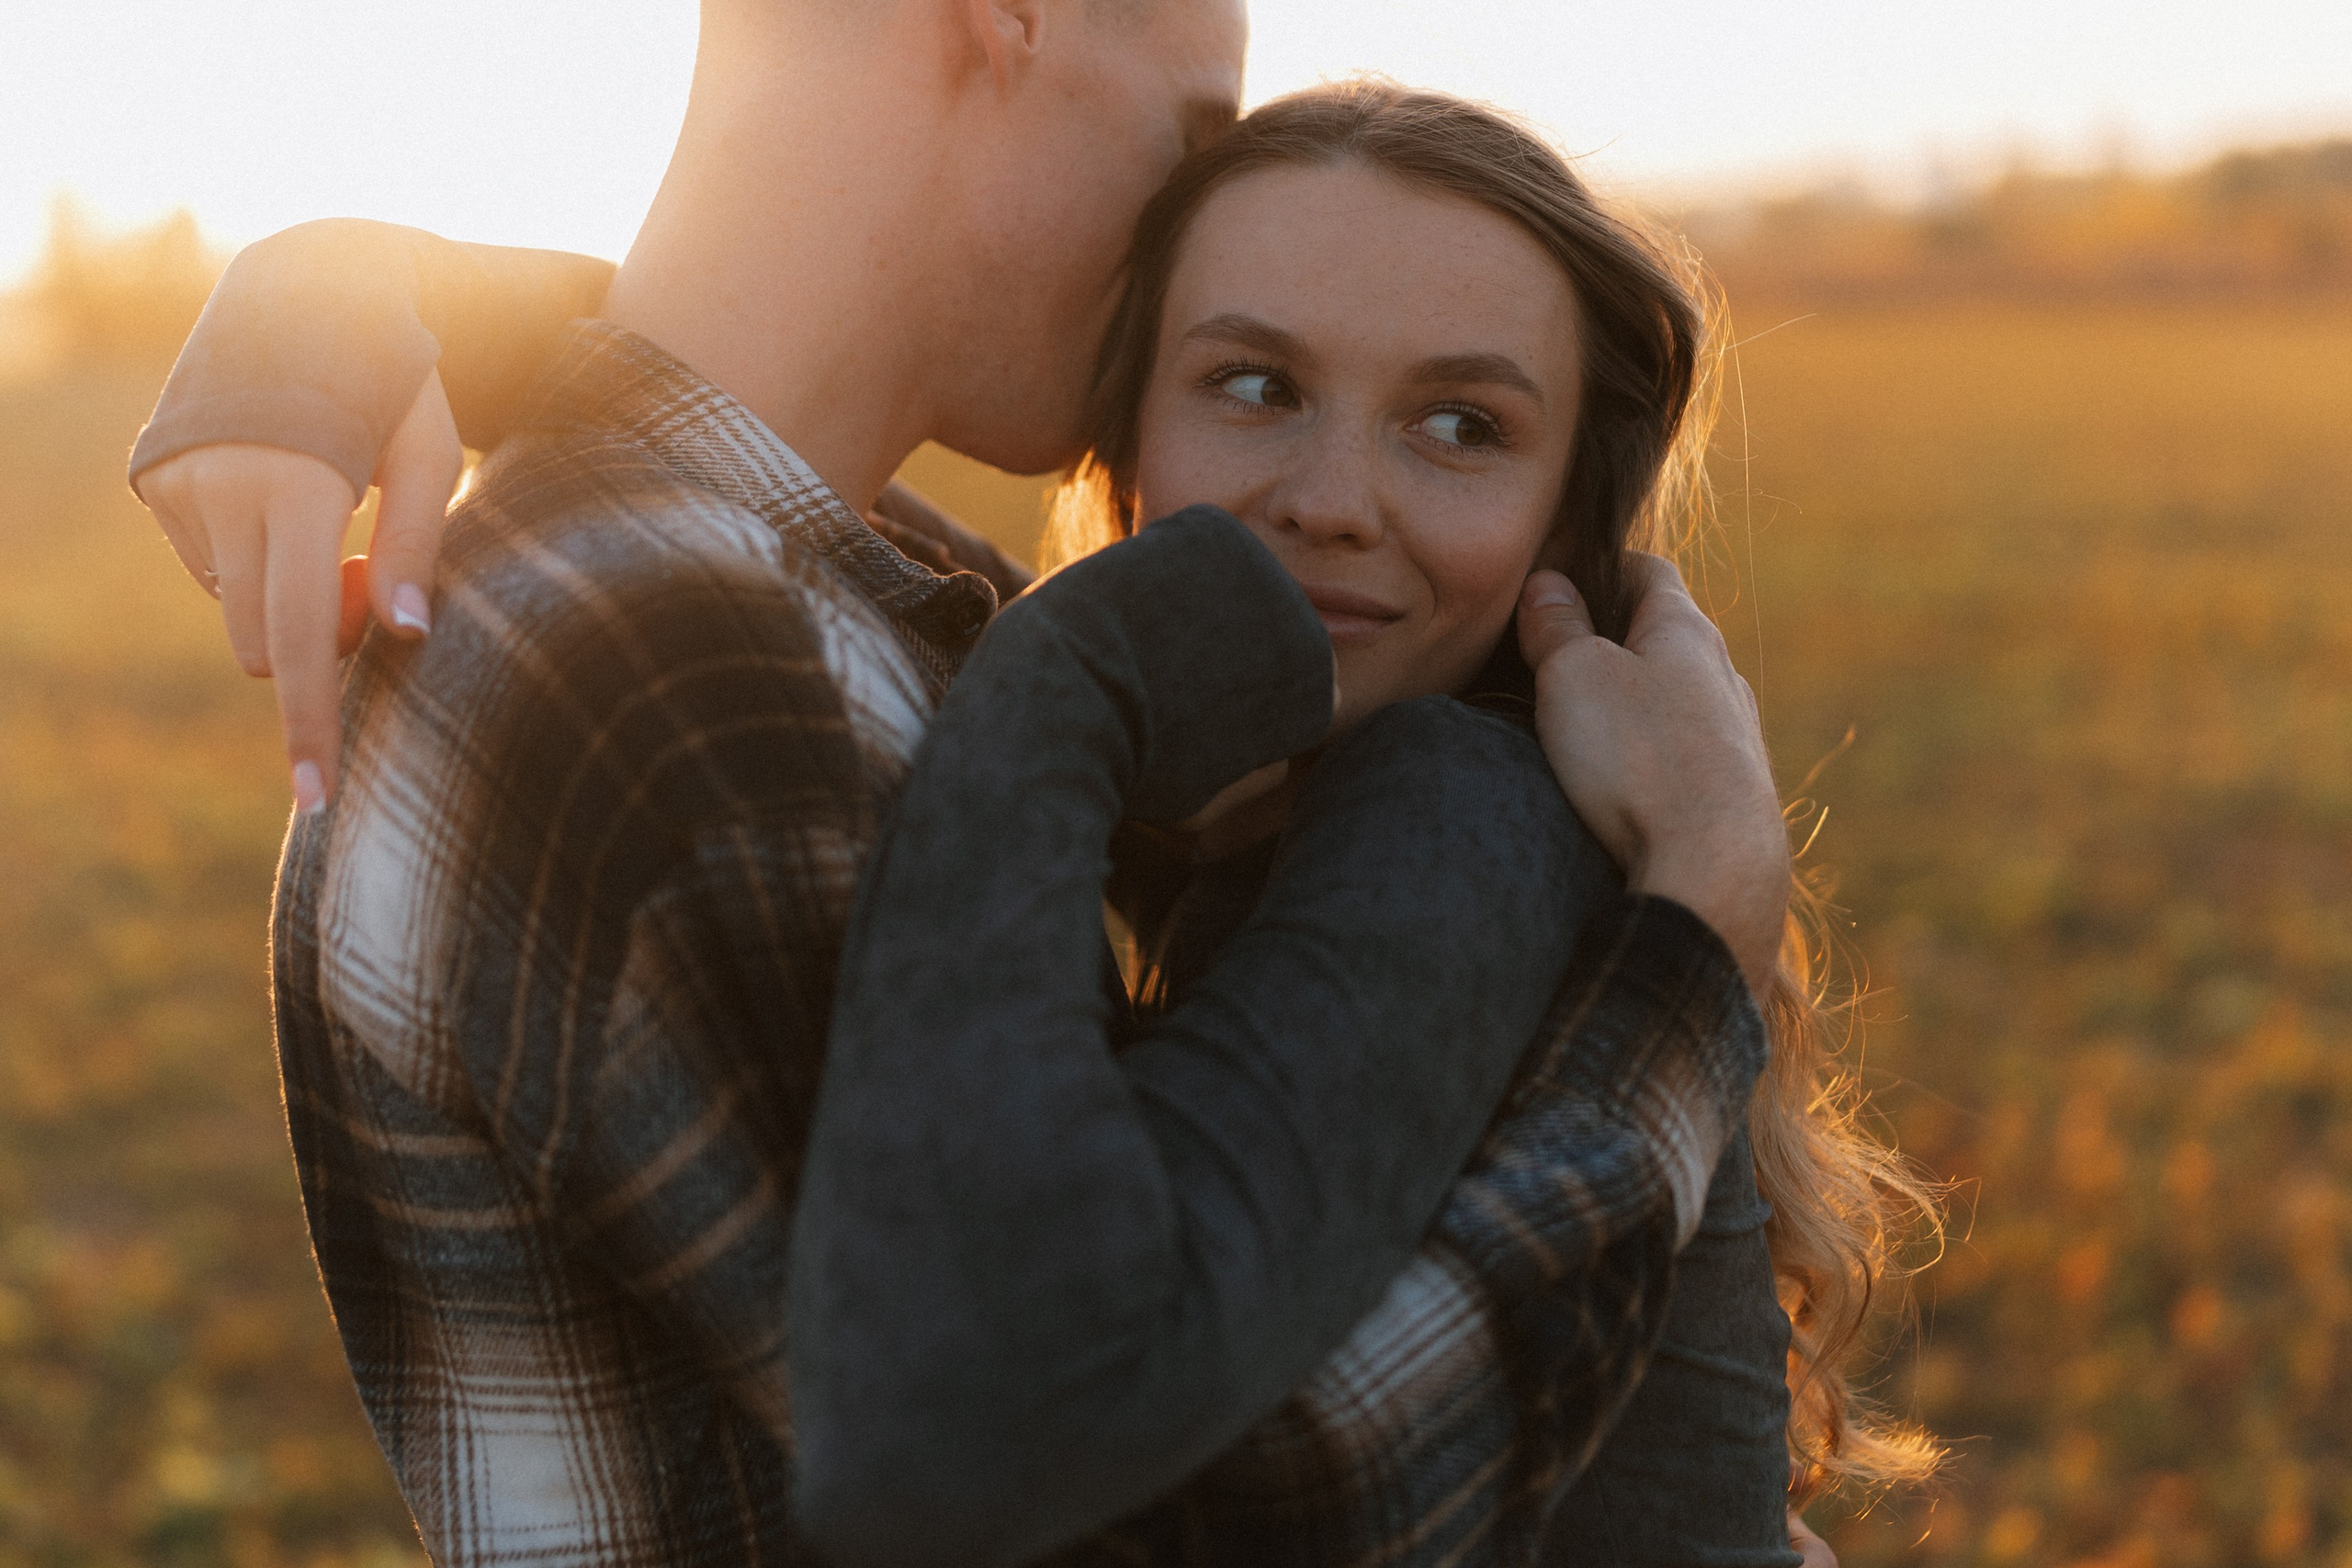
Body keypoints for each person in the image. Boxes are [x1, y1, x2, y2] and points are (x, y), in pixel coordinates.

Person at [126, 8, 1906, 1566]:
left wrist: (351, 288)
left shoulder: (812, 579)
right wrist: (1685, 956)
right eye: (1195, 128)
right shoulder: (682, 662)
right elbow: (1183, 1524)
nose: (1178, 239)